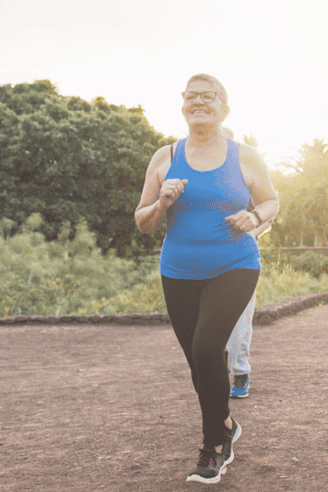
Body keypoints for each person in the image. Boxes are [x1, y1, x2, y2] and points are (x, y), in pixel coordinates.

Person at [134, 74, 279, 484]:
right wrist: (162, 201)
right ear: (182, 105)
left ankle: (212, 447)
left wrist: (254, 216)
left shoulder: (244, 156)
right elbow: (143, 222)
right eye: (192, 96)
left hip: (235, 263)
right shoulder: (164, 157)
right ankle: (227, 426)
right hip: (178, 271)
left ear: (224, 107)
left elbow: (272, 199)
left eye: (209, 96)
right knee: (200, 362)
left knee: (207, 346)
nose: (200, 102)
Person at [220, 127, 273, 400]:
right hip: (204, 258)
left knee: (241, 318)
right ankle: (216, 373)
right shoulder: (192, 171)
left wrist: (252, 229)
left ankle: (240, 373)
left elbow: (268, 212)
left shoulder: (244, 172)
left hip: (241, 256)